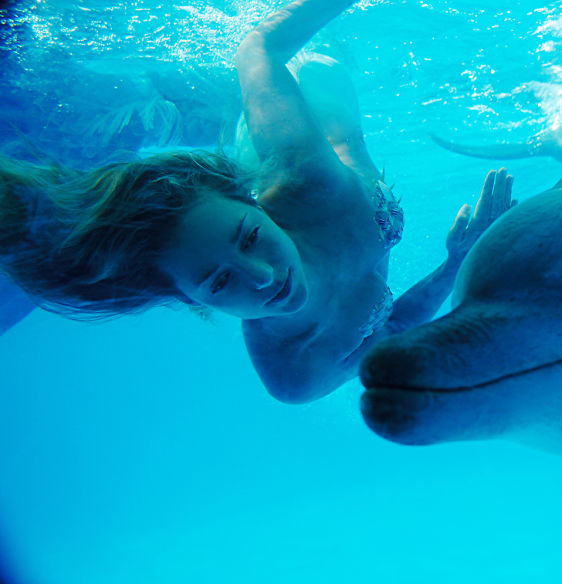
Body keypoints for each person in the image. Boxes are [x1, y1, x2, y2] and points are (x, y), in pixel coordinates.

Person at [0, 0, 515, 403]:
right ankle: (189, 113)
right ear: (191, 299)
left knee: (317, 64)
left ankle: (203, 111)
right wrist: (455, 263)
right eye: (219, 280)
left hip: (310, 119)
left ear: (253, 203)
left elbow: (258, 48)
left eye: (250, 235)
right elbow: (394, 328)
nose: (263, 275)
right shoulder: (295, 371)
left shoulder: (302, 177)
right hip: (316, 137)